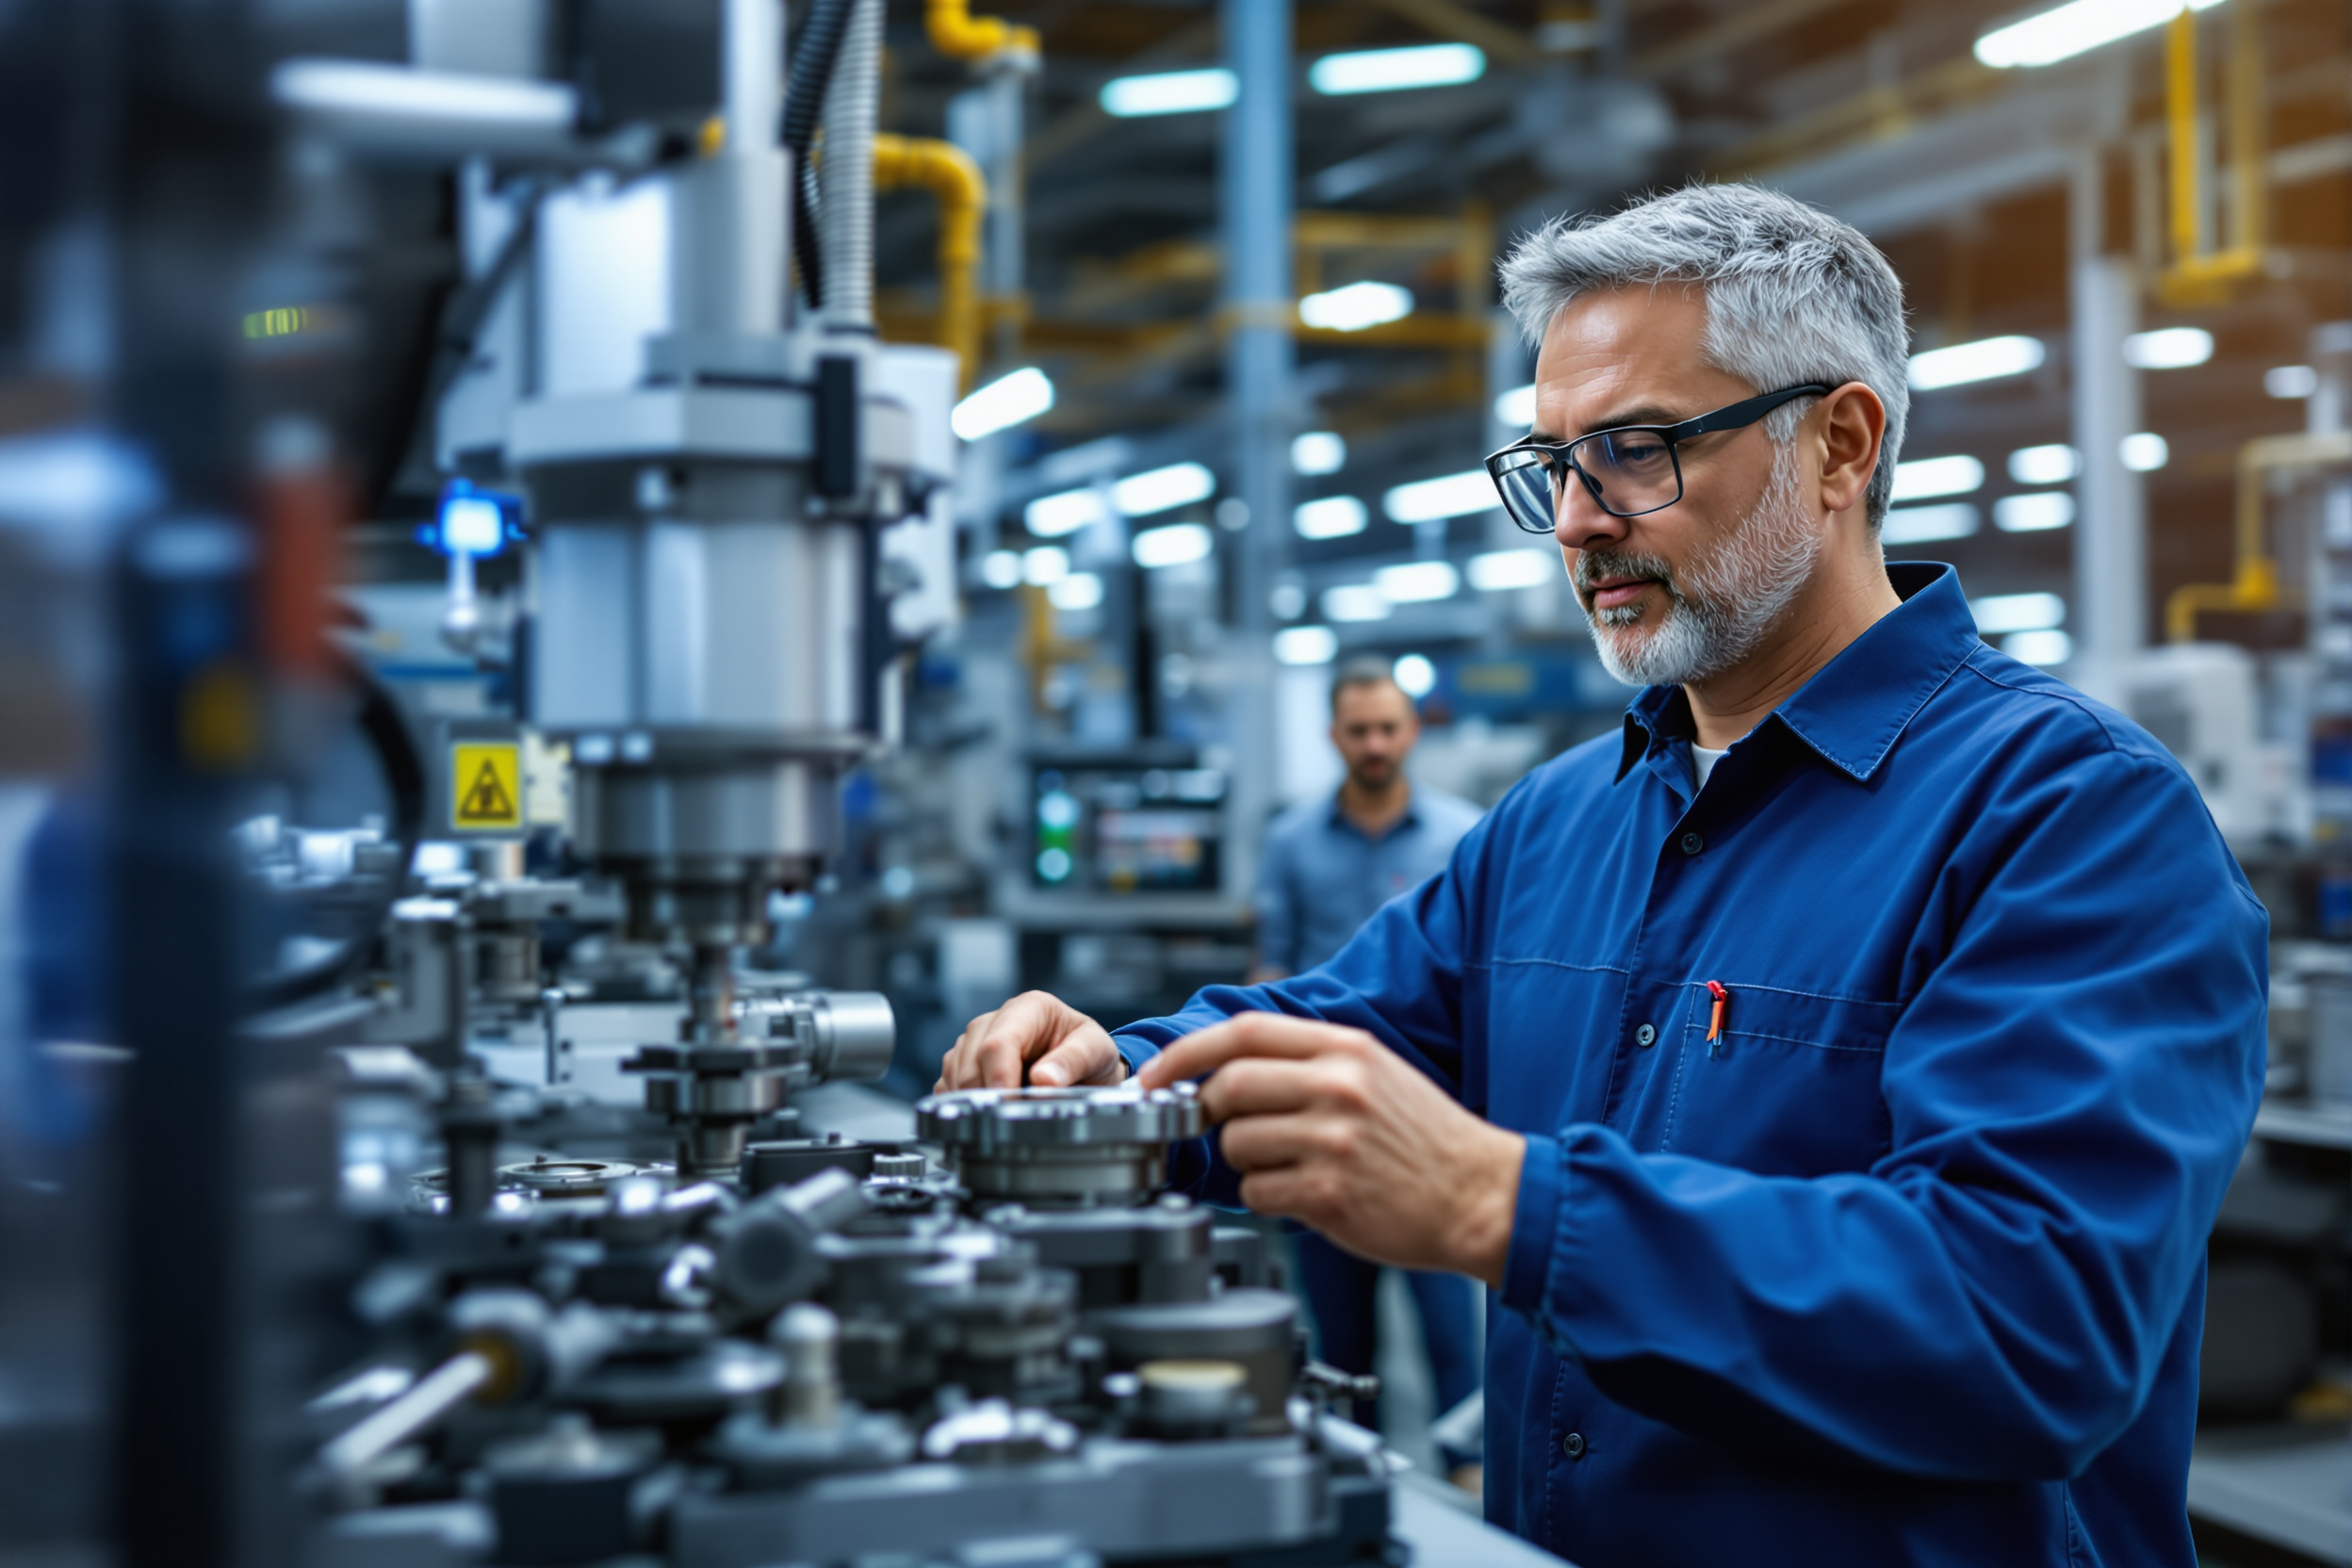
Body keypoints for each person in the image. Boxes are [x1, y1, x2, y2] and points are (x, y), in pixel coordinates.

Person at [938, 183, 2264, 1567]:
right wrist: (1112, 1083)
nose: (1575, 520)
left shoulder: (2071, 817)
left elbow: (2030, 1318)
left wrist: (1505, 1206)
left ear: (1839, 444)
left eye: (1634, 451)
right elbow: (1343, 1029)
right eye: (1553, 464)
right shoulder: (1564, 818)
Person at [1250, 658, 1484, 1481]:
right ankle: (1361, 1494)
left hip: (1431, 1122)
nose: (1376, 744)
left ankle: (1467, 1495)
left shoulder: (1463, 836)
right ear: (1333, 737)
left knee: (1452, 1335)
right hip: (1318, 1124)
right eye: (1359, 731)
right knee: (1342, 1342)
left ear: (1412, 731)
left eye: (1390, 728)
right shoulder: (1290, 843)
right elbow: (1269, 974)